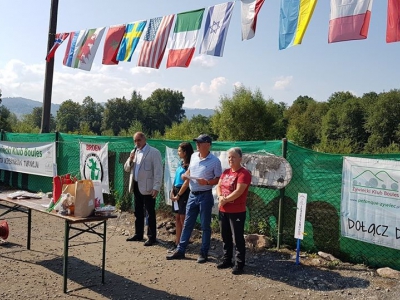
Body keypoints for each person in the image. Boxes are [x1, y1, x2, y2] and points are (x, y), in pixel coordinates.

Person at [167, 134, 222, 263]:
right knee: (187, 224)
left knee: (205, 226)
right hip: (192, 195)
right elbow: (189, 172)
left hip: (205, 195)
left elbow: (219, 179)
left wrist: (207, 182)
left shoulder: (215, 161)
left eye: (200, 142)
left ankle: (203, 253)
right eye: (197, 142)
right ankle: (181, 250)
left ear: (208, 144)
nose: (197, 145)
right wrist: (186, 176)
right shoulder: (193, 157)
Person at [216, 147, 251, 275]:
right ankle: (227, 260)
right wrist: (220, 197)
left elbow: (239, 191)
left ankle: (239, 263)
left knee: (237, 237)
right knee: (225, 236)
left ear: (240, 159)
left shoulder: (244, 174)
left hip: (237, 211)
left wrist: (225, 200)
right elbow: (219, 186)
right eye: (229, 157)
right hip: (223, 209)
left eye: (234, 157)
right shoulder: (225, 172)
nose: (231, 159)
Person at [124, 132, 163, 246]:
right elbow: (126, 168)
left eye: (139, 140)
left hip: (148, 187)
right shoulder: (134, 151)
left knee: (150, 213)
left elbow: (158, 171)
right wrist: (131, 160)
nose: (137, 143)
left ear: (144, 139)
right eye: (135, 141)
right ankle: (138, 234)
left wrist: (156, 187)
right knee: (138, 212)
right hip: (136, 186)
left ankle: (151, 237)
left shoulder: (154, 152)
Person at [169, 142, 194, 252]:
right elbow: (176, 178)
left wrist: (179, 195)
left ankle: (184, 243)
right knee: (177, 217)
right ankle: (177, 242)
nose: (178, 153)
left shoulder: (190, 165)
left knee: (183, 218)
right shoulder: (180, 163)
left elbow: (187, 182)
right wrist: (172, 191)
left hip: (184, 193)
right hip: (176, 190)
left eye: (180, 151)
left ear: (185, 152)